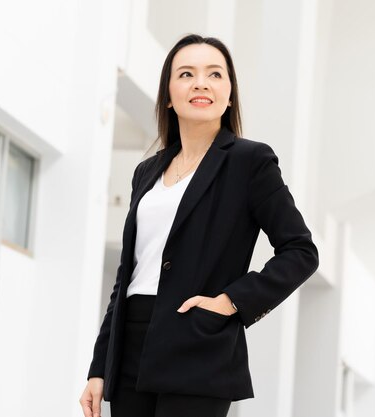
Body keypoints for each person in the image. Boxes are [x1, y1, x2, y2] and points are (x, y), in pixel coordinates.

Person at [79, 33, 319, 417]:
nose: (201, 83)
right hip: (131, 347)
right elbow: (128, 275)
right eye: (186, 73)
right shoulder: (146, 172)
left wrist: (231, 302)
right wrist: (98, 366)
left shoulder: (249, 162)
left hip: (198, 342)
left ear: (228, 94)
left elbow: (301, 252)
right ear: (169, 95)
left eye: (214, 74)